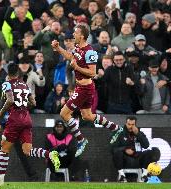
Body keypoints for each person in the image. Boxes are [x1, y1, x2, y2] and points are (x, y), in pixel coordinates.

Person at [51, 23, 121, 157]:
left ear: (82, 36)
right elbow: (71, 58)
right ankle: (116, 128)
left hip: (85, 88)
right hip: (81, 86)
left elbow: (92, 73)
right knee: (87, 116)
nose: (73, 35)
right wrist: (58, 48)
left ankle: (81, 140)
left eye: (75, 33)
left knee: (64, 113)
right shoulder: (77, 48)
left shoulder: (90, 52)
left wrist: (76, 68)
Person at [0, 63, 60, 186]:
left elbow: (10, 100)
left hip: (14, 120)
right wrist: (22, 105)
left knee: (4, 148)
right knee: (27, 150)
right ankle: (49, 154)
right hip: (26, 118)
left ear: (8, 74)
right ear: (18, 73)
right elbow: (33, 103)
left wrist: (1, 112)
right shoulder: (24, 85)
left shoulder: (6, 84)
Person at [110, 116, 160, 182]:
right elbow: (112, 148)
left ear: (135, 125)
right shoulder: (119, 133)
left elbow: (146, 145)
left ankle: (144, 175)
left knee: (153, 151)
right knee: (117, 153)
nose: (130, 126)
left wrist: (138, 134)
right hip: (125, 160)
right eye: (129, 124)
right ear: (126, 124)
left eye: (132, 124)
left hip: (138, 159)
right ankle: (122, 176)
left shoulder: (139, 133)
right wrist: (125, 149)